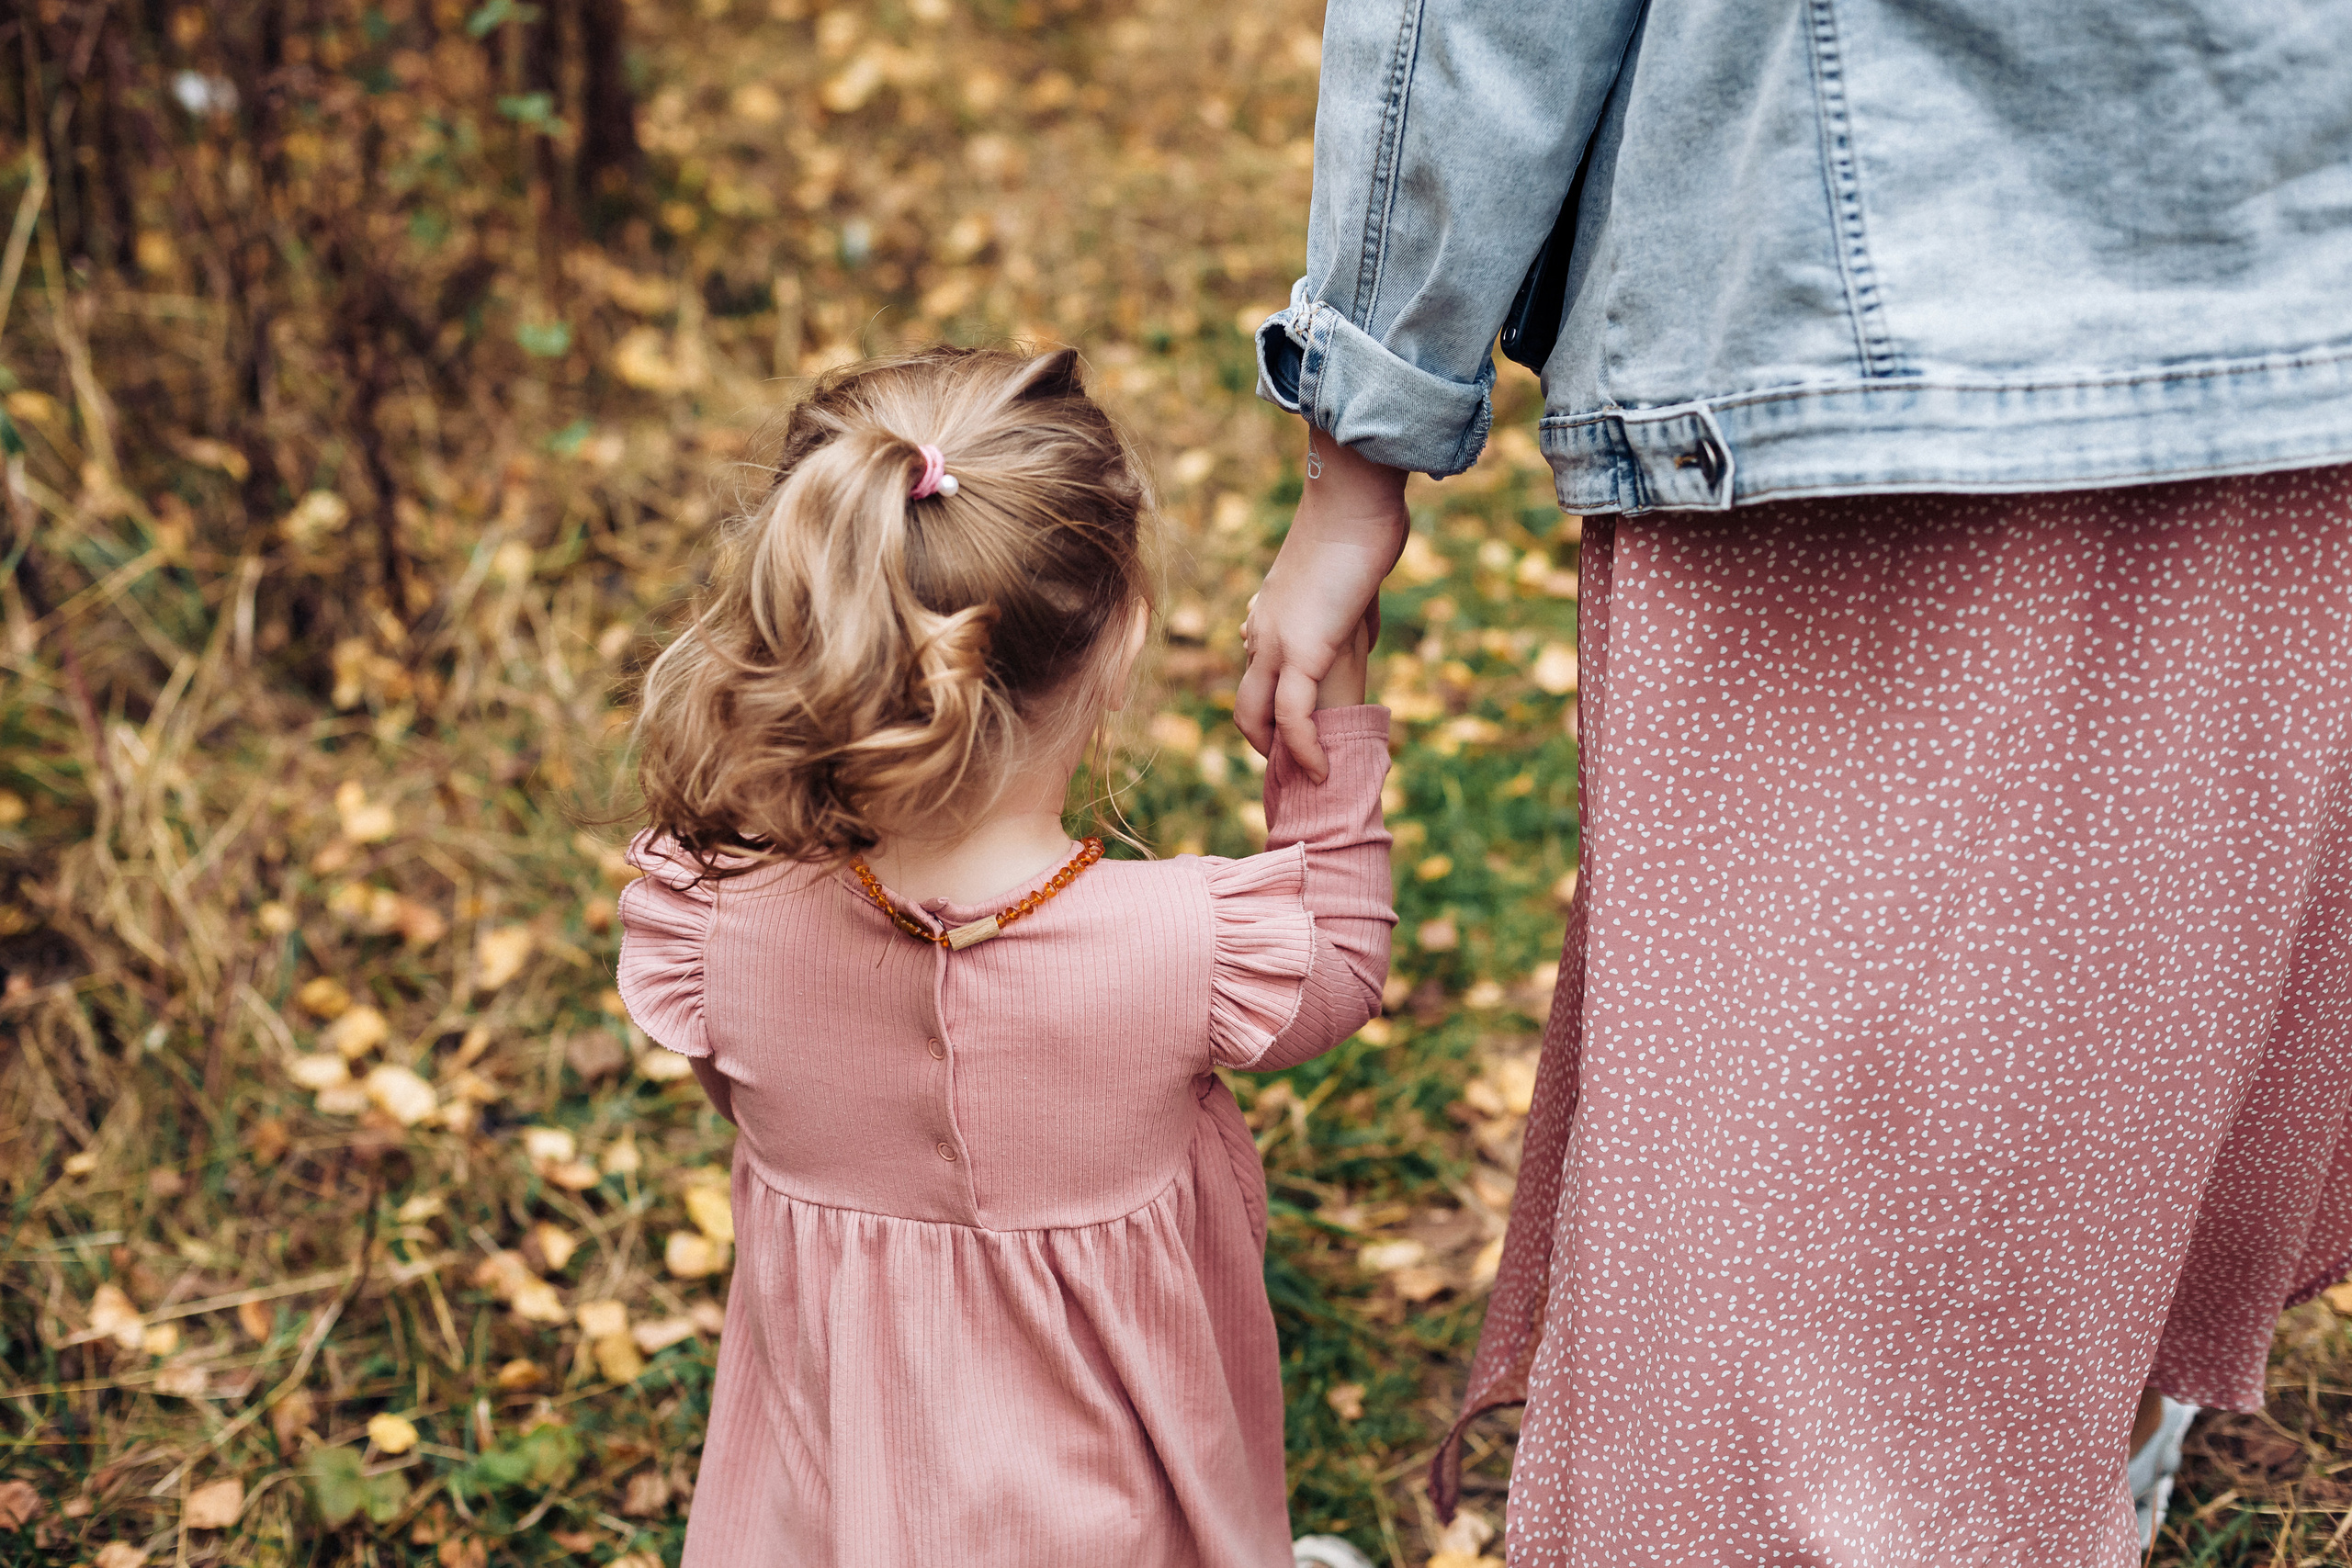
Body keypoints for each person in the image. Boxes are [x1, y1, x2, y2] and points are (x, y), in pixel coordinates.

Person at [1238, 3, 2352, 1563]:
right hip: (2296, 347)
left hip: (1839, 366)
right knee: (2083, 1085)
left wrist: (1359, 442)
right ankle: (2034, 1469)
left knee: (1784, 1222)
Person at [615, 345, 1397, 1567]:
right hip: (1116, 1525)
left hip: (835, 1512)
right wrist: (1329, 731)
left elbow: (742, 1091)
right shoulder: (1181, 946)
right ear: (1125, 634)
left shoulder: (712, 920)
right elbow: (1345, 963)